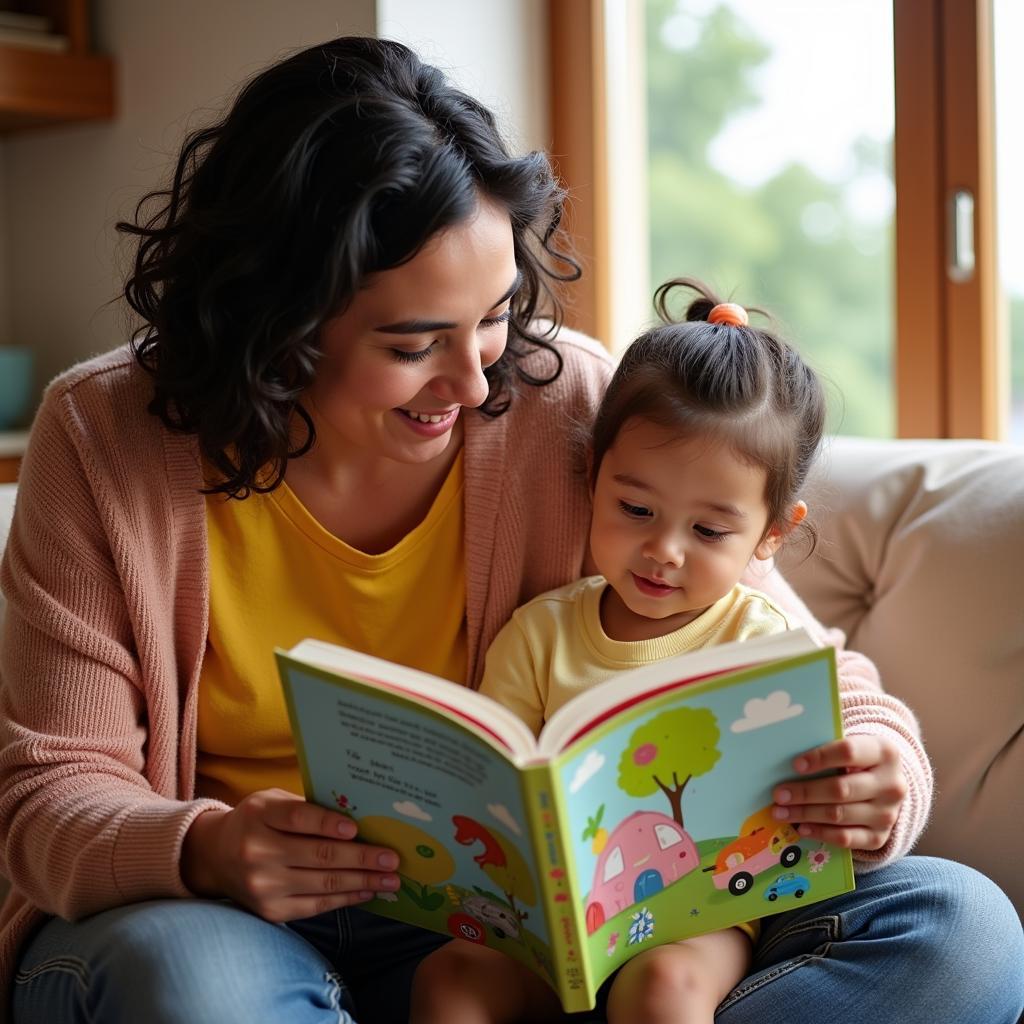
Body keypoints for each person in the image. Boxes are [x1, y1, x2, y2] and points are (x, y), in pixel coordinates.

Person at [0, 35, 1020, 1024]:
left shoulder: (558, 397)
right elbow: (51, 793)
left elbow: (794, 661)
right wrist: (208, 849)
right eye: (412, 343)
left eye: (492, 315)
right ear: (278, 322)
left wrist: (877, 768)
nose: (475, 376)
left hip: (507, 935)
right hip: (228, 920)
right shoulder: (105, 437)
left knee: (958, 933)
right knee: (199, 991)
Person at [410, 280, 829, 1024]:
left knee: (662, 989)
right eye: (635, 510)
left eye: (708, 532)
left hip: (697, 916)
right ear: (592, 477)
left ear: (772, 534)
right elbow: (490, 784)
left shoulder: (762, 646)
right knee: (450, 982)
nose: (662, 551)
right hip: (543, 922)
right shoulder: (540, 633)